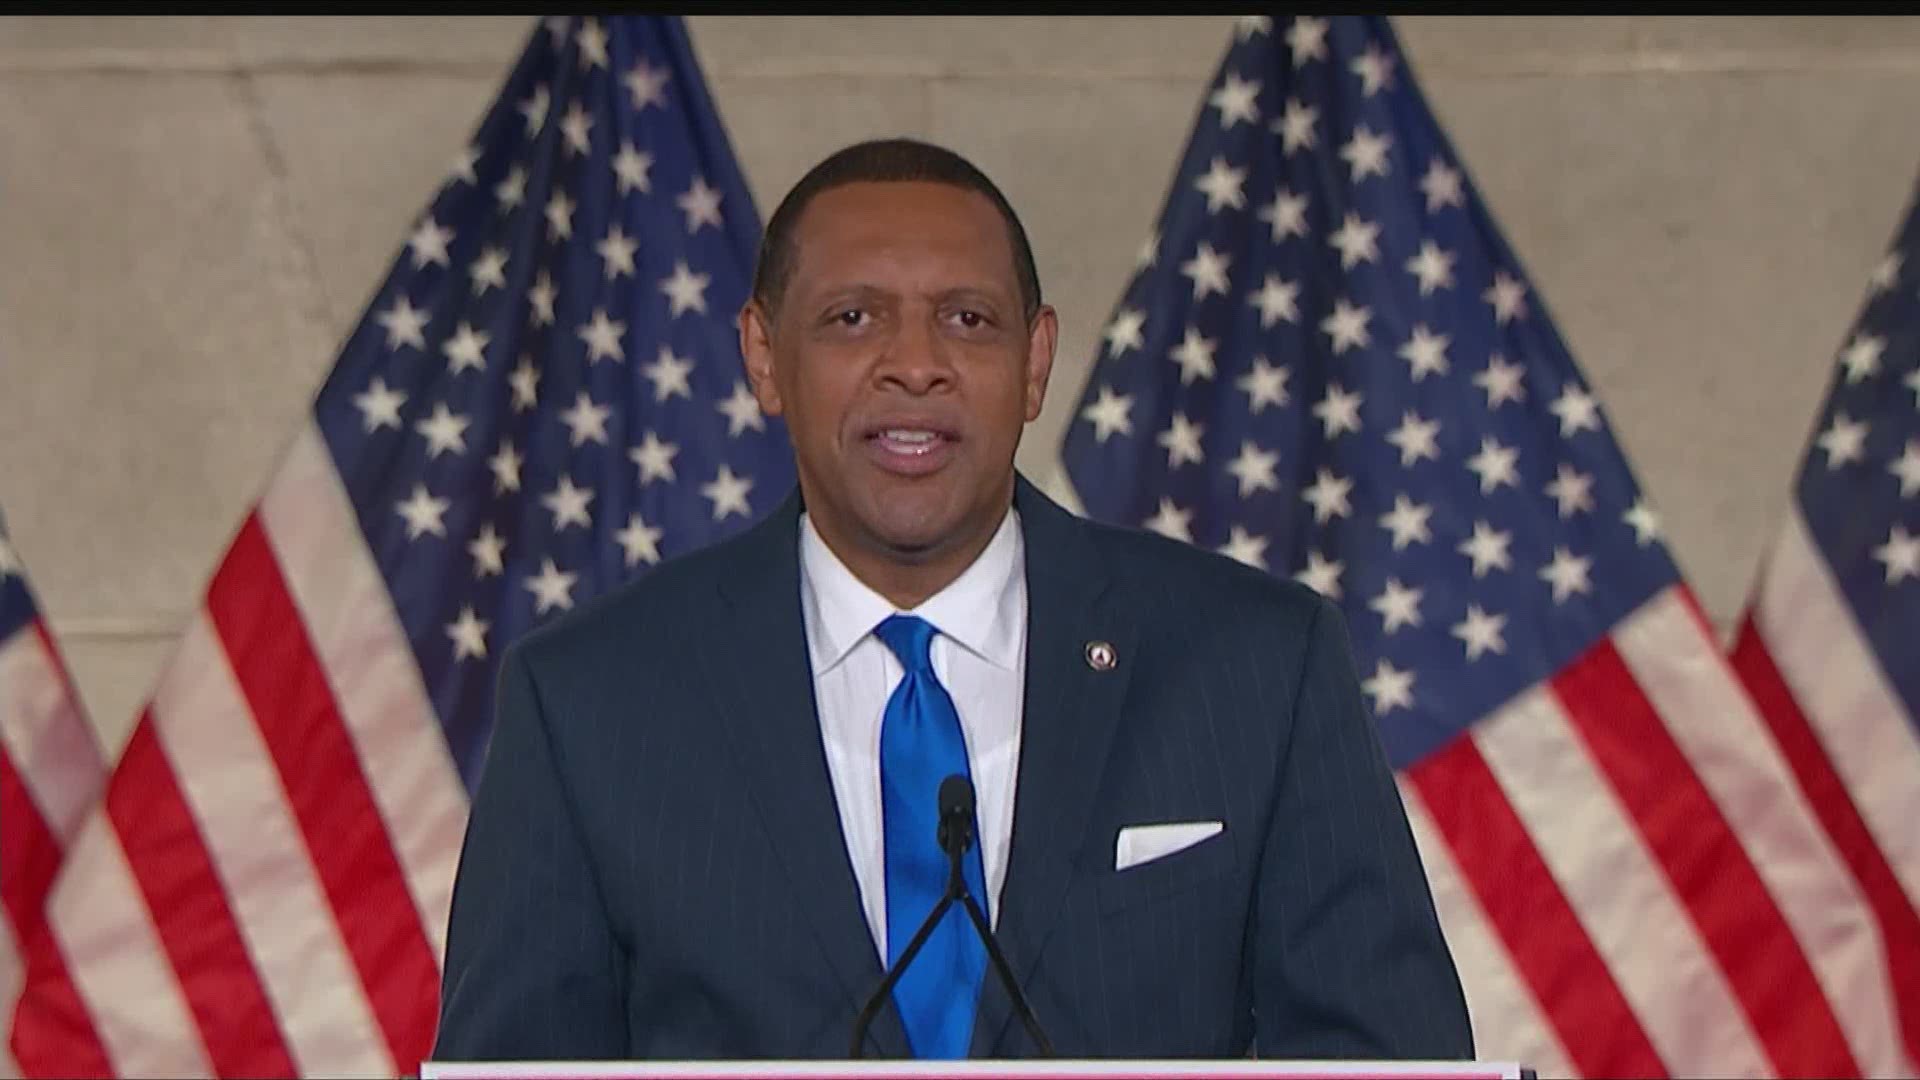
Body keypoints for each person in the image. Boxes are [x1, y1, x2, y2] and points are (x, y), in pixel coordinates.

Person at [432, 137, 1475, 1063]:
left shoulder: (1257, 665)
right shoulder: (590, 702)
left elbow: (1387, 1056)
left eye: (968, 321)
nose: (916, 366)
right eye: (853, 319)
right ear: (763, 357)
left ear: (1033, 363)